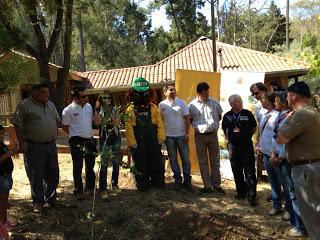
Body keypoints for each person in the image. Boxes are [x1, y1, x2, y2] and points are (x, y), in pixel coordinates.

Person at [277, 81, 320, 240]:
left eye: (288, 94)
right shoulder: (308, 112)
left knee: (312, 216)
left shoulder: (302, 114)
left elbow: (281, 137)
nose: (286, 98)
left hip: (306, 169)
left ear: (294, 96)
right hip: (309, 167)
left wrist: (288, 118)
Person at [11, 83, 60, 213]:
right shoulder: (25, 105)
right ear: (35, 93)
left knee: (53, 173)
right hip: (34, 146)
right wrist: (21, 143)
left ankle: (51, 198)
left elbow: (56, 120)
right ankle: (38, 202)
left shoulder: (51, 105)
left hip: (50, 145)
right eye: (43, 92)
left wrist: (54, 133)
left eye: (47, 92)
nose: (46, 95)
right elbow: (17, 124)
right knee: (36, 175)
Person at [270, 91, 306, 237]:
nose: (275, 103)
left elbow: (288, 140)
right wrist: (273, 153)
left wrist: (281, 157)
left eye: (277, 100)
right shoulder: (281, 116)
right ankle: (293, 220)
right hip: (278, 156)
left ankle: (300, 226)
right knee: (288, 191)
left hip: (285, 159)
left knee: (293, 193)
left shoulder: (291, 117)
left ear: (285, 102)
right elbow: (276, 136)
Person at [188, 82, 225, 195]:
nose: (207, 94)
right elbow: (190, 120)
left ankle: (216, 185)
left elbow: (219, 116)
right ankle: (207, 186)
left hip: (213, 135)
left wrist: (212, 126)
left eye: (208, 91)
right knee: (203, 161)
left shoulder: (214, 102)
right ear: (199, 93)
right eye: (205, 92)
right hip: (200, 136)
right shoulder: (191, 105)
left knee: (215, 161)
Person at [62, 86, 97, 200]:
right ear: (75, 98)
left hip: (89, 138)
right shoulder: (68, 110)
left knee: (90, 164)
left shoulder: (89, 107)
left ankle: (90, 187)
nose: (86, 98)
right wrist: (75, 134)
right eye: (83, 96)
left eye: (86, 96)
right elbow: (65, 126)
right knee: (78, 166)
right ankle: (78, 190)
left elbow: (90, 121)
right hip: (76, 140)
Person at [222, 95, 257, 206]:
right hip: (233, 147)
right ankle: (240, 192)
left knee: (250, 171)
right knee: (236, 170)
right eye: (238, 101)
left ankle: (252, 196)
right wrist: (232, 138)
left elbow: (254, 127)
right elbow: (224, 129)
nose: (241, 102)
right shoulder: (227, 116)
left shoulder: (247, 114)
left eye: (240, 100)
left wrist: (246, 136)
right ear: (232, 104)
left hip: (246, 145)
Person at [158, 84, 193, 192]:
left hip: (182, 135)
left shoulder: (182, 103)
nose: (173, 91)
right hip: (169, 137)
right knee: (173, 160)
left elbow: (187, 119)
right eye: (170, 90)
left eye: (174, 90)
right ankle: (177, 180)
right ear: (165, 93)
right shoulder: (161, 104)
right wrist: (162, 136)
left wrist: (187, 134)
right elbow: (160, 121)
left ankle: (187, 181)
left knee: (186, 159)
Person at [95, 92, 122, 200]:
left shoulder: (114, 109)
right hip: (104, 138)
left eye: (108, 97)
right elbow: (97, 122)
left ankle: (114, 185)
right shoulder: (98, 110)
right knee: (104, 163)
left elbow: (117, 122)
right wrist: (98, 111)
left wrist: (106, 121)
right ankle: (103, 189)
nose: (107, 99)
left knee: (116, 162)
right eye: (104, 97)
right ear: (100, 99)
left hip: (115, 136)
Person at [0, 125, 18, 240]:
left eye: (2, 133)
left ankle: (4, 220)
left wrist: (12, 151)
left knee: (5, 201)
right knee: (2, 202)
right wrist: (7, 155)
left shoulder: (1, 144)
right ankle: (3, 224)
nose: (1, 136)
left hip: (6, 176)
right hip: (1, 178)